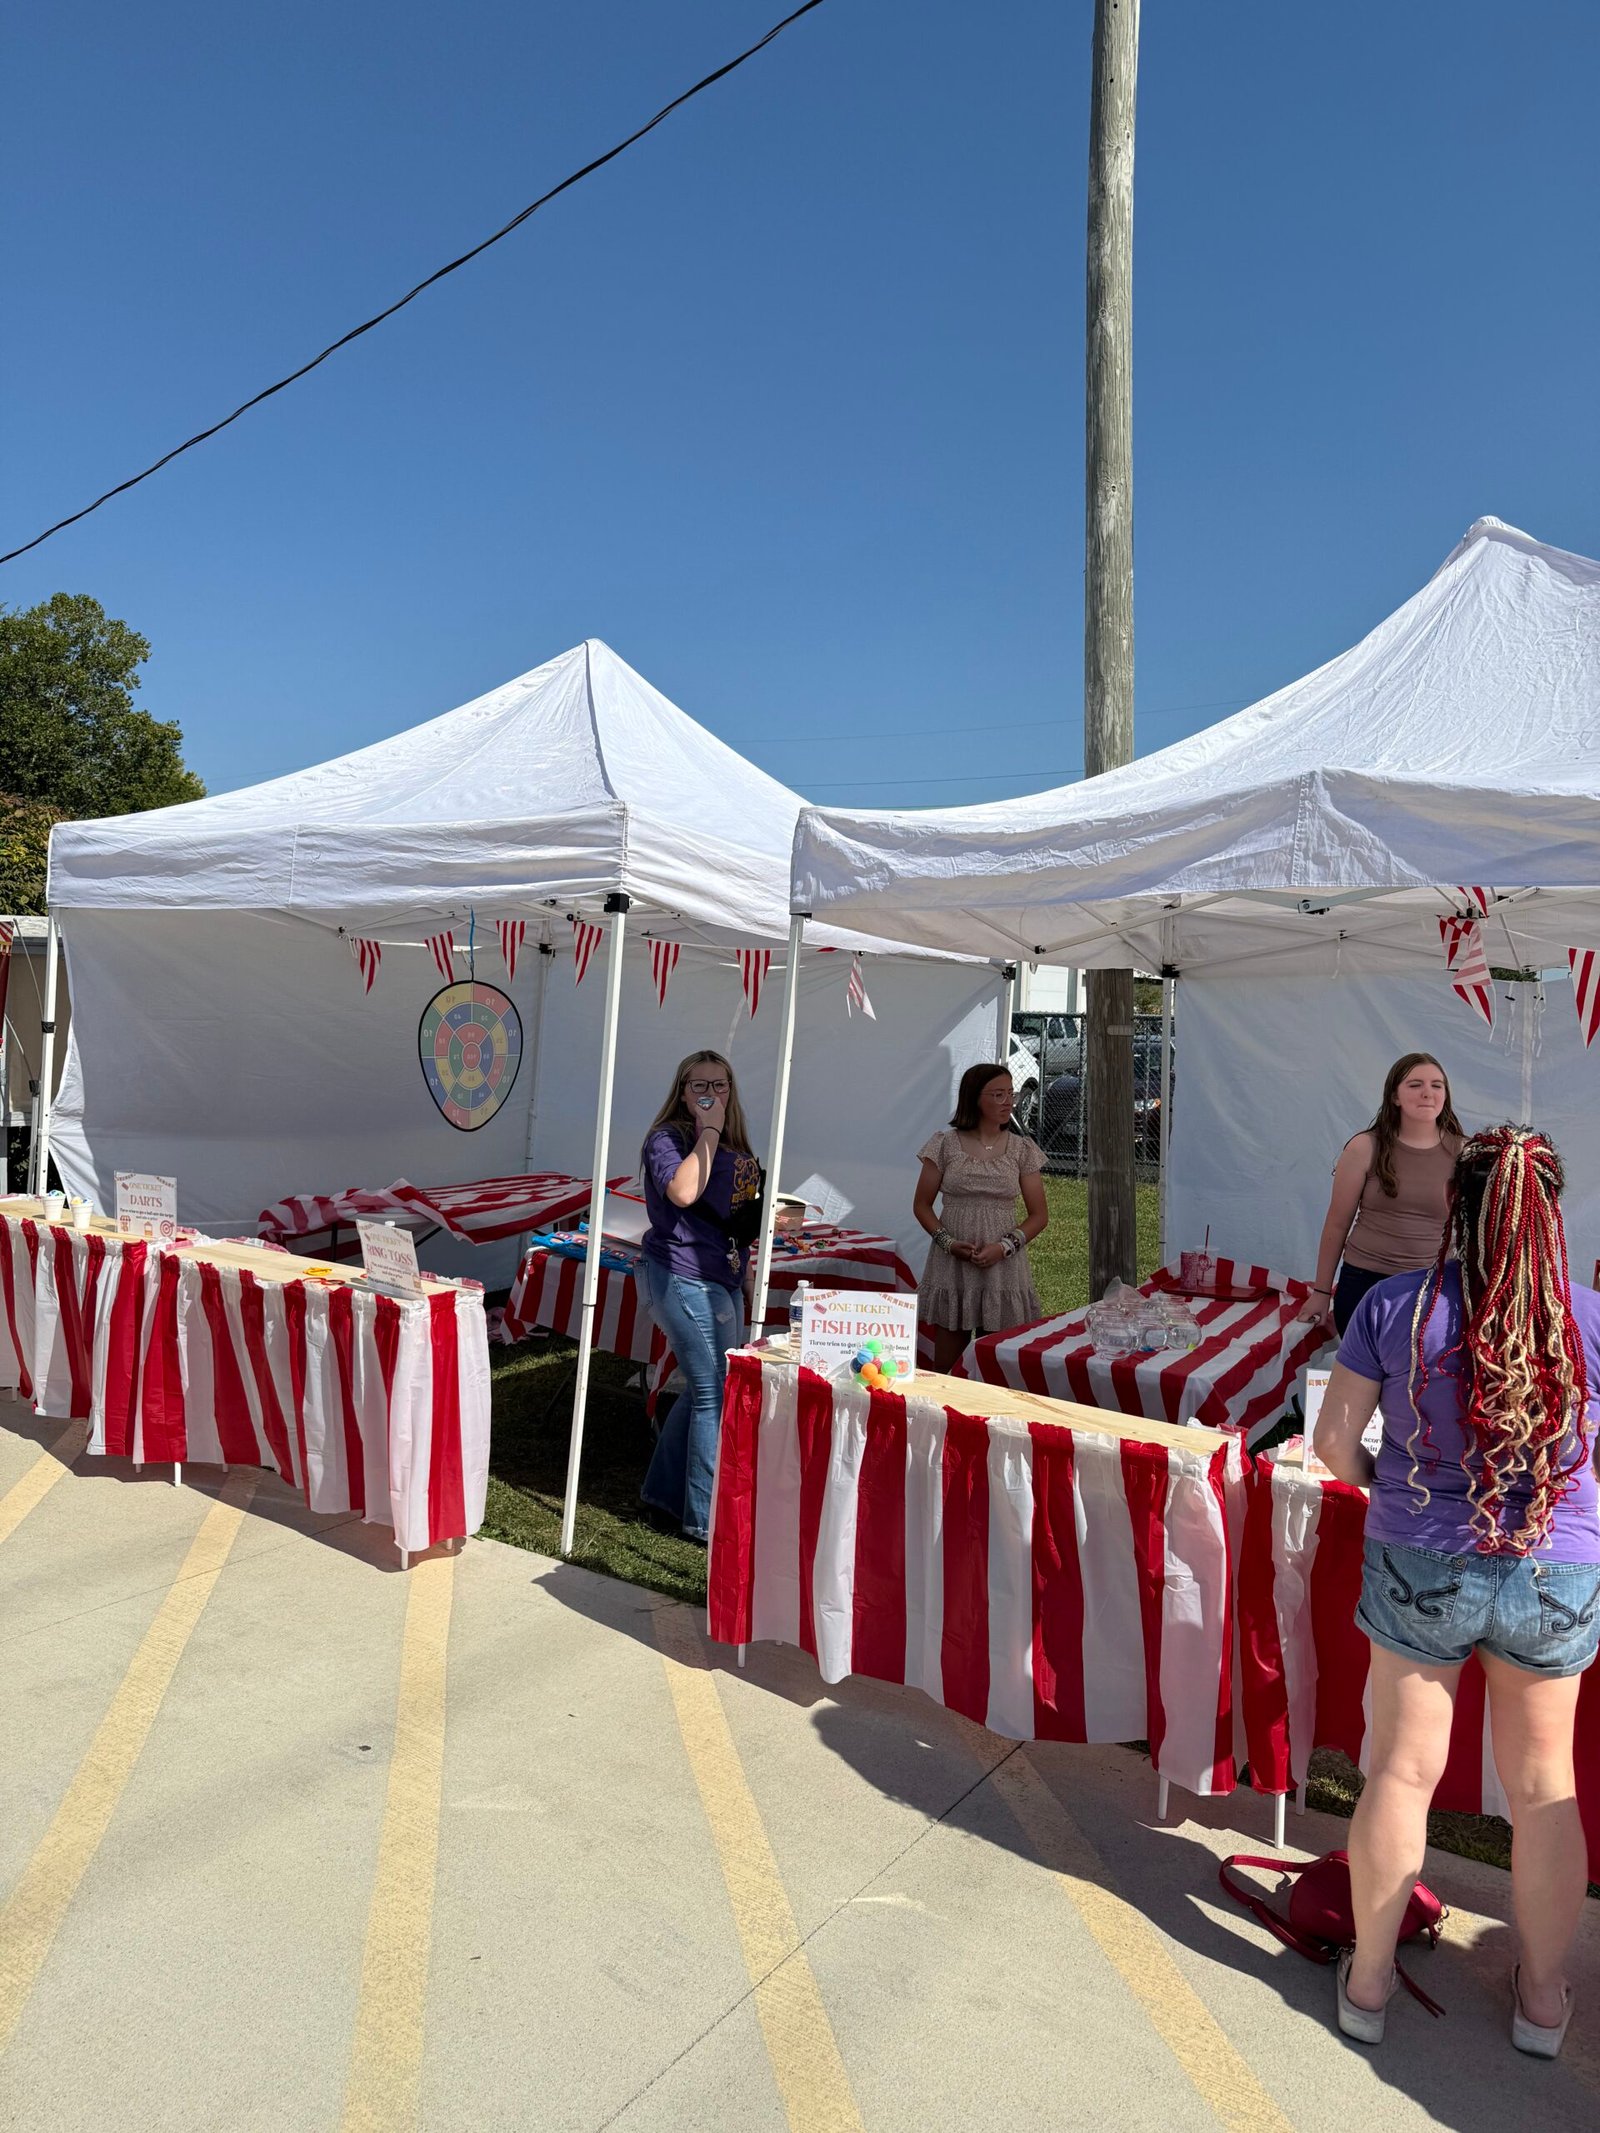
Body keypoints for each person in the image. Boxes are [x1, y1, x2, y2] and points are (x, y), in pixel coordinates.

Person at [1314, 1126, 1600, 2055]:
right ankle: (1543, 2002)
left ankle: (1367, 1983)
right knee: (1545, 1787)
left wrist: (1393, 1487)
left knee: (1401, 1772)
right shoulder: (1590, 1320)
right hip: (1555, 1568)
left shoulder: (1396, 1306)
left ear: (1454, 1204)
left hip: (1421, 1556)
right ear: (1549, 1214)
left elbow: (1333, 1444)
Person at [637, 1050, 763, 1544]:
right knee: (715, 1392)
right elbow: (684, 1193)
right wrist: (708, 1131)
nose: (711, 1094)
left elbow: (740, 1218)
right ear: (683, 1091)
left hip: (723, 1276)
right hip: (682, 1274)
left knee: (705, 1388)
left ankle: (663, 1496)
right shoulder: (667, 1138)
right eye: (700, 1086)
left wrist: (745, 1272)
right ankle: (703, 1521)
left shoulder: (738, 1143)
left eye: (720, 1085)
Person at [1296, 1054, 1465, 1335]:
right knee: (1363, 1364)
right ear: (1394, 1096)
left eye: (1437, 1085)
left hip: (1432, 1287)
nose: (1427, 1093)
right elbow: (1337, 1224)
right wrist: (1321, 1293)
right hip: (1365, 1285)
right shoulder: (1364, 1147)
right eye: (1415, 1085)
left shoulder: (1465, 1153)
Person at [914, 1062, 1049, 1374]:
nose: (1008, 1102)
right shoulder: (944, 1144)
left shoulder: (1022, 1149)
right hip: (953, 1266)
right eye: (998, 1094)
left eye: (1011, 1094)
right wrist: (948, 1243)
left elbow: (1039, 1215)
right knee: (946, 1367)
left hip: (1003, 1267)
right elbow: (921, 1205)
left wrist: (1004, 1247)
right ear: (974, 1097)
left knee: (998, 1365)